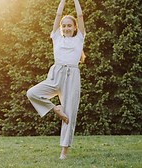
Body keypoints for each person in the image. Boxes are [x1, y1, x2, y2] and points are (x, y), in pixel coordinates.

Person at [26, 0, 85, 160]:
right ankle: (55, 109)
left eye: (69, 25)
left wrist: (76, 1)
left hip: (72, 76)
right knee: (32, 93)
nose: (66, 28)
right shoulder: (56, 37)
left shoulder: (80, 38)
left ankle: (64, 151)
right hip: (56, 74)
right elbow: (58, 14)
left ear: (74, 28)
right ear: (61, 28)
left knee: (70, 114)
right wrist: (63, 1)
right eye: (64, 25)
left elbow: (80, 15)